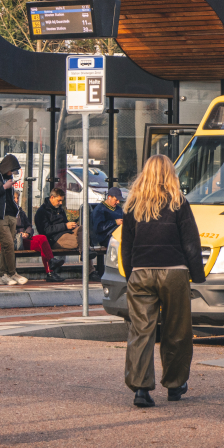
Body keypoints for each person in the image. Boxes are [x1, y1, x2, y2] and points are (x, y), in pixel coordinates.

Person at [121, 155, 205, 408]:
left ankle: (141, 389)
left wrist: (130, 274)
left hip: (141, 272)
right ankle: (175, 384)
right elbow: (191, 243)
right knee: (177, 330)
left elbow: (127, 245)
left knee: (141, 331)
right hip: (174, 272)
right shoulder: (179, 203)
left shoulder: (133, 204)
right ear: (170, 174)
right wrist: (198, 276)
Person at [0, 155, 27, 286]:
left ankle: (3, 275)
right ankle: (12, 272)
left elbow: (9, 197)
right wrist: (4, 187)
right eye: (12, 170)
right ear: (6, 167)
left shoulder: (8, 177)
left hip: (10, 214)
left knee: (6, 246)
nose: (12, 173)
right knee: (9, 244)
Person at [34, 188, 76, 281]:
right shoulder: (42, 211)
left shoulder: (60, 209)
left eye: (62, 200)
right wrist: (65, 226)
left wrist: (72, 226)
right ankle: (86, 252)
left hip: (65, 234)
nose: (61, 203)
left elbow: (65, 223)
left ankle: (86, 253)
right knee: (82, 242)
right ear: (52, 197)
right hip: (53, 238)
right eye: (59, 200)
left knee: (81, 230)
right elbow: (45, 231)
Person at [14, 191, 56, 280]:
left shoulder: (20, 211)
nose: (16, 200)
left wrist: (28, 233)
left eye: (17, 198)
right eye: (14, 198)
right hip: (16, 240)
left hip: (25, 238)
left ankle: (51, 266)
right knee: (42, 244)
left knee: (43, 238)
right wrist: (19, 234)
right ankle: (50, 272)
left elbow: (29, 225)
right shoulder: (7, 212)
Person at [91, 186, 124, 278]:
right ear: (109, 197)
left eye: (119, 200)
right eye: (116, 200)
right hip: (105, 237)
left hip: (119, 234)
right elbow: (98, 227)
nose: (118, 202)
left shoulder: (118, 209)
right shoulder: (100, 209)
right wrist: (114, 222)